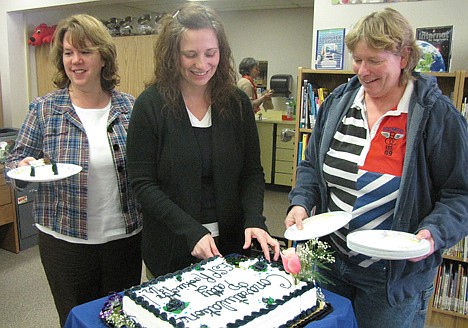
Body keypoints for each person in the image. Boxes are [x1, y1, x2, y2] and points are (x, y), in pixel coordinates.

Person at [285, 8, 468, 328]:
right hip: (332, 262)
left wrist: (432, 233)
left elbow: (460, 193)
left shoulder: (434, 115)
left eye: (375, 61)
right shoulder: (339, 104)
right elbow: (312, 165)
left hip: (391, 280)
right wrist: (301, 202)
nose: (362, 71)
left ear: (405, 56)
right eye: (357, 59)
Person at [5, 14, 142, 327]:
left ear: (104, 57)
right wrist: (23, 167)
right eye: (68, 53)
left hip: (125, 237)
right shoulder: (45, 108)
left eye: (85, 52)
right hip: (64, 240)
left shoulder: (129, 107)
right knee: (76, 318)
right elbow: (14, 160)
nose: (76, 61)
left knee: (122, 317)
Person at [126, 3, 280, 279]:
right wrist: (191, 230)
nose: (202, 64)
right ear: (172, 54)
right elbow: (143, 184)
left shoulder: (236, 103)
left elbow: (251, 173)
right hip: (171, 245)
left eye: (211, 53)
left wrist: (255, 220)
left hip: (232, 245)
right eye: (190, 55)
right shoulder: (150, 105)